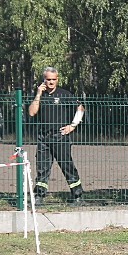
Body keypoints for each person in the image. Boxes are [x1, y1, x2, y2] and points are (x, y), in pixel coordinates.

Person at [29, 66, 85, 204]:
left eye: (54, 79)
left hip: (60, 136)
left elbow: (80, 107)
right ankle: (39, 196)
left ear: (57, 79)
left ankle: (77, 195)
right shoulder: (39, 95)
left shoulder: (64, 94)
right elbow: (31, 112)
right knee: (42, 167)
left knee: (67, 166)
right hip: (44, 137)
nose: (51, 82)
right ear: (44, 80)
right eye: (48, 79)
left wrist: (72, 126)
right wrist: (38, 94)